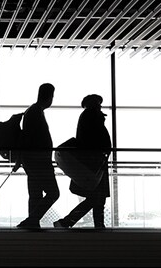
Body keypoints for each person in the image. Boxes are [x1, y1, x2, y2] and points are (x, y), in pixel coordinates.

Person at [54, 94, 112, 229]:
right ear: (92, 104)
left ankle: (70, 222)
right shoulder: (92, 116)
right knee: (97, 197)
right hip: (94, 163)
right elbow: (94, 140)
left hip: (93, 163)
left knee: (97, 198)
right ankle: (69, 222)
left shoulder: (88, 116)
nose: (100, 106)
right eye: (98, 103)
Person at [17, 83, 60, 230]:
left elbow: (26, 138)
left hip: (32, 160)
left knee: (35, 194)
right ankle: (32, 220)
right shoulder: (35, 112)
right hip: (39, 161)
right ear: (49, 96)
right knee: (53, 192)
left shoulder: (33, 111)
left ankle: (32, 222)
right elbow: (29, 138)